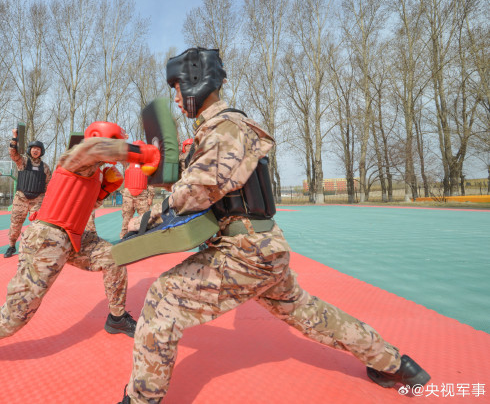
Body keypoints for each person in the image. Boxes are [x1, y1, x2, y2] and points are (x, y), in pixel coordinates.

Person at [117, 48, 430, 403]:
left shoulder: (227, 128)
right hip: (259, 250)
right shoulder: (217, 131)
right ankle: (396, 364)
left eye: (178, 87)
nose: (175, 97)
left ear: (196, 81)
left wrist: (145, 219)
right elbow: (203, 186)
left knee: (163, 299)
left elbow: (196, 192)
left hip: (244, 252)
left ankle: (141, 400)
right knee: (308, 312)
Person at [0, 121, 161, 390]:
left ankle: (117, 317)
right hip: (46, 239)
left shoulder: (94, 171)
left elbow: (82, 202)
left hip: (74, 240)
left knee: (114, 257)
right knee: (11, 320)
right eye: (116, 141)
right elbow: (97, 148)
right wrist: (142, 152)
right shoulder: (77, 156)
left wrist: (104, 190)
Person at [5, 135, 52, 258]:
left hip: (38, 200)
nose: (36, 150)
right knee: (15, 224)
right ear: (29, 150)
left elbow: (48, 185)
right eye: (33, 148)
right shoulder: (23, 162)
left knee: (39, 226)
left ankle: (36, 247)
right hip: (21, 198)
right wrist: (15, 138)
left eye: (38, 149)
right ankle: (11, 246)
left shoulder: (45, 167)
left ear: (41, 152)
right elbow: (13, 154)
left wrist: (48, 202)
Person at [120, 141, 155, 239]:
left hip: (143, 196)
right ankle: (123, 238)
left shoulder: (148, 164)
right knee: (126, 219)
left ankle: (146, 238)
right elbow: (118, 154)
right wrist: (121, 140)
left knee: (145, 219)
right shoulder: (127, 161)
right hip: (128, 195)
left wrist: (150, 196)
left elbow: (151, 182)